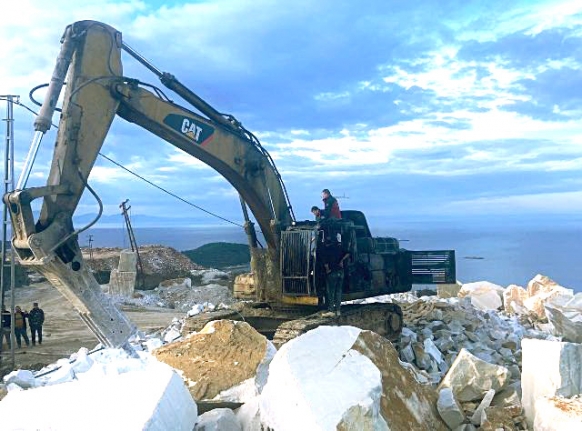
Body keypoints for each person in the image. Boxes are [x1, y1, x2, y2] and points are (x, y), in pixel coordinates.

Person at [320, 238, 349, 317]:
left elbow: (325, 263)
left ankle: (331, 310)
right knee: (338, 291)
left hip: (332, 273)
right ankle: (338, 310)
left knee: (331, 292)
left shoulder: (326, 250)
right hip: (341, 273)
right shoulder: (339, 248)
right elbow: (348, 253)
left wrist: (327, 270)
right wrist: (342, 260)